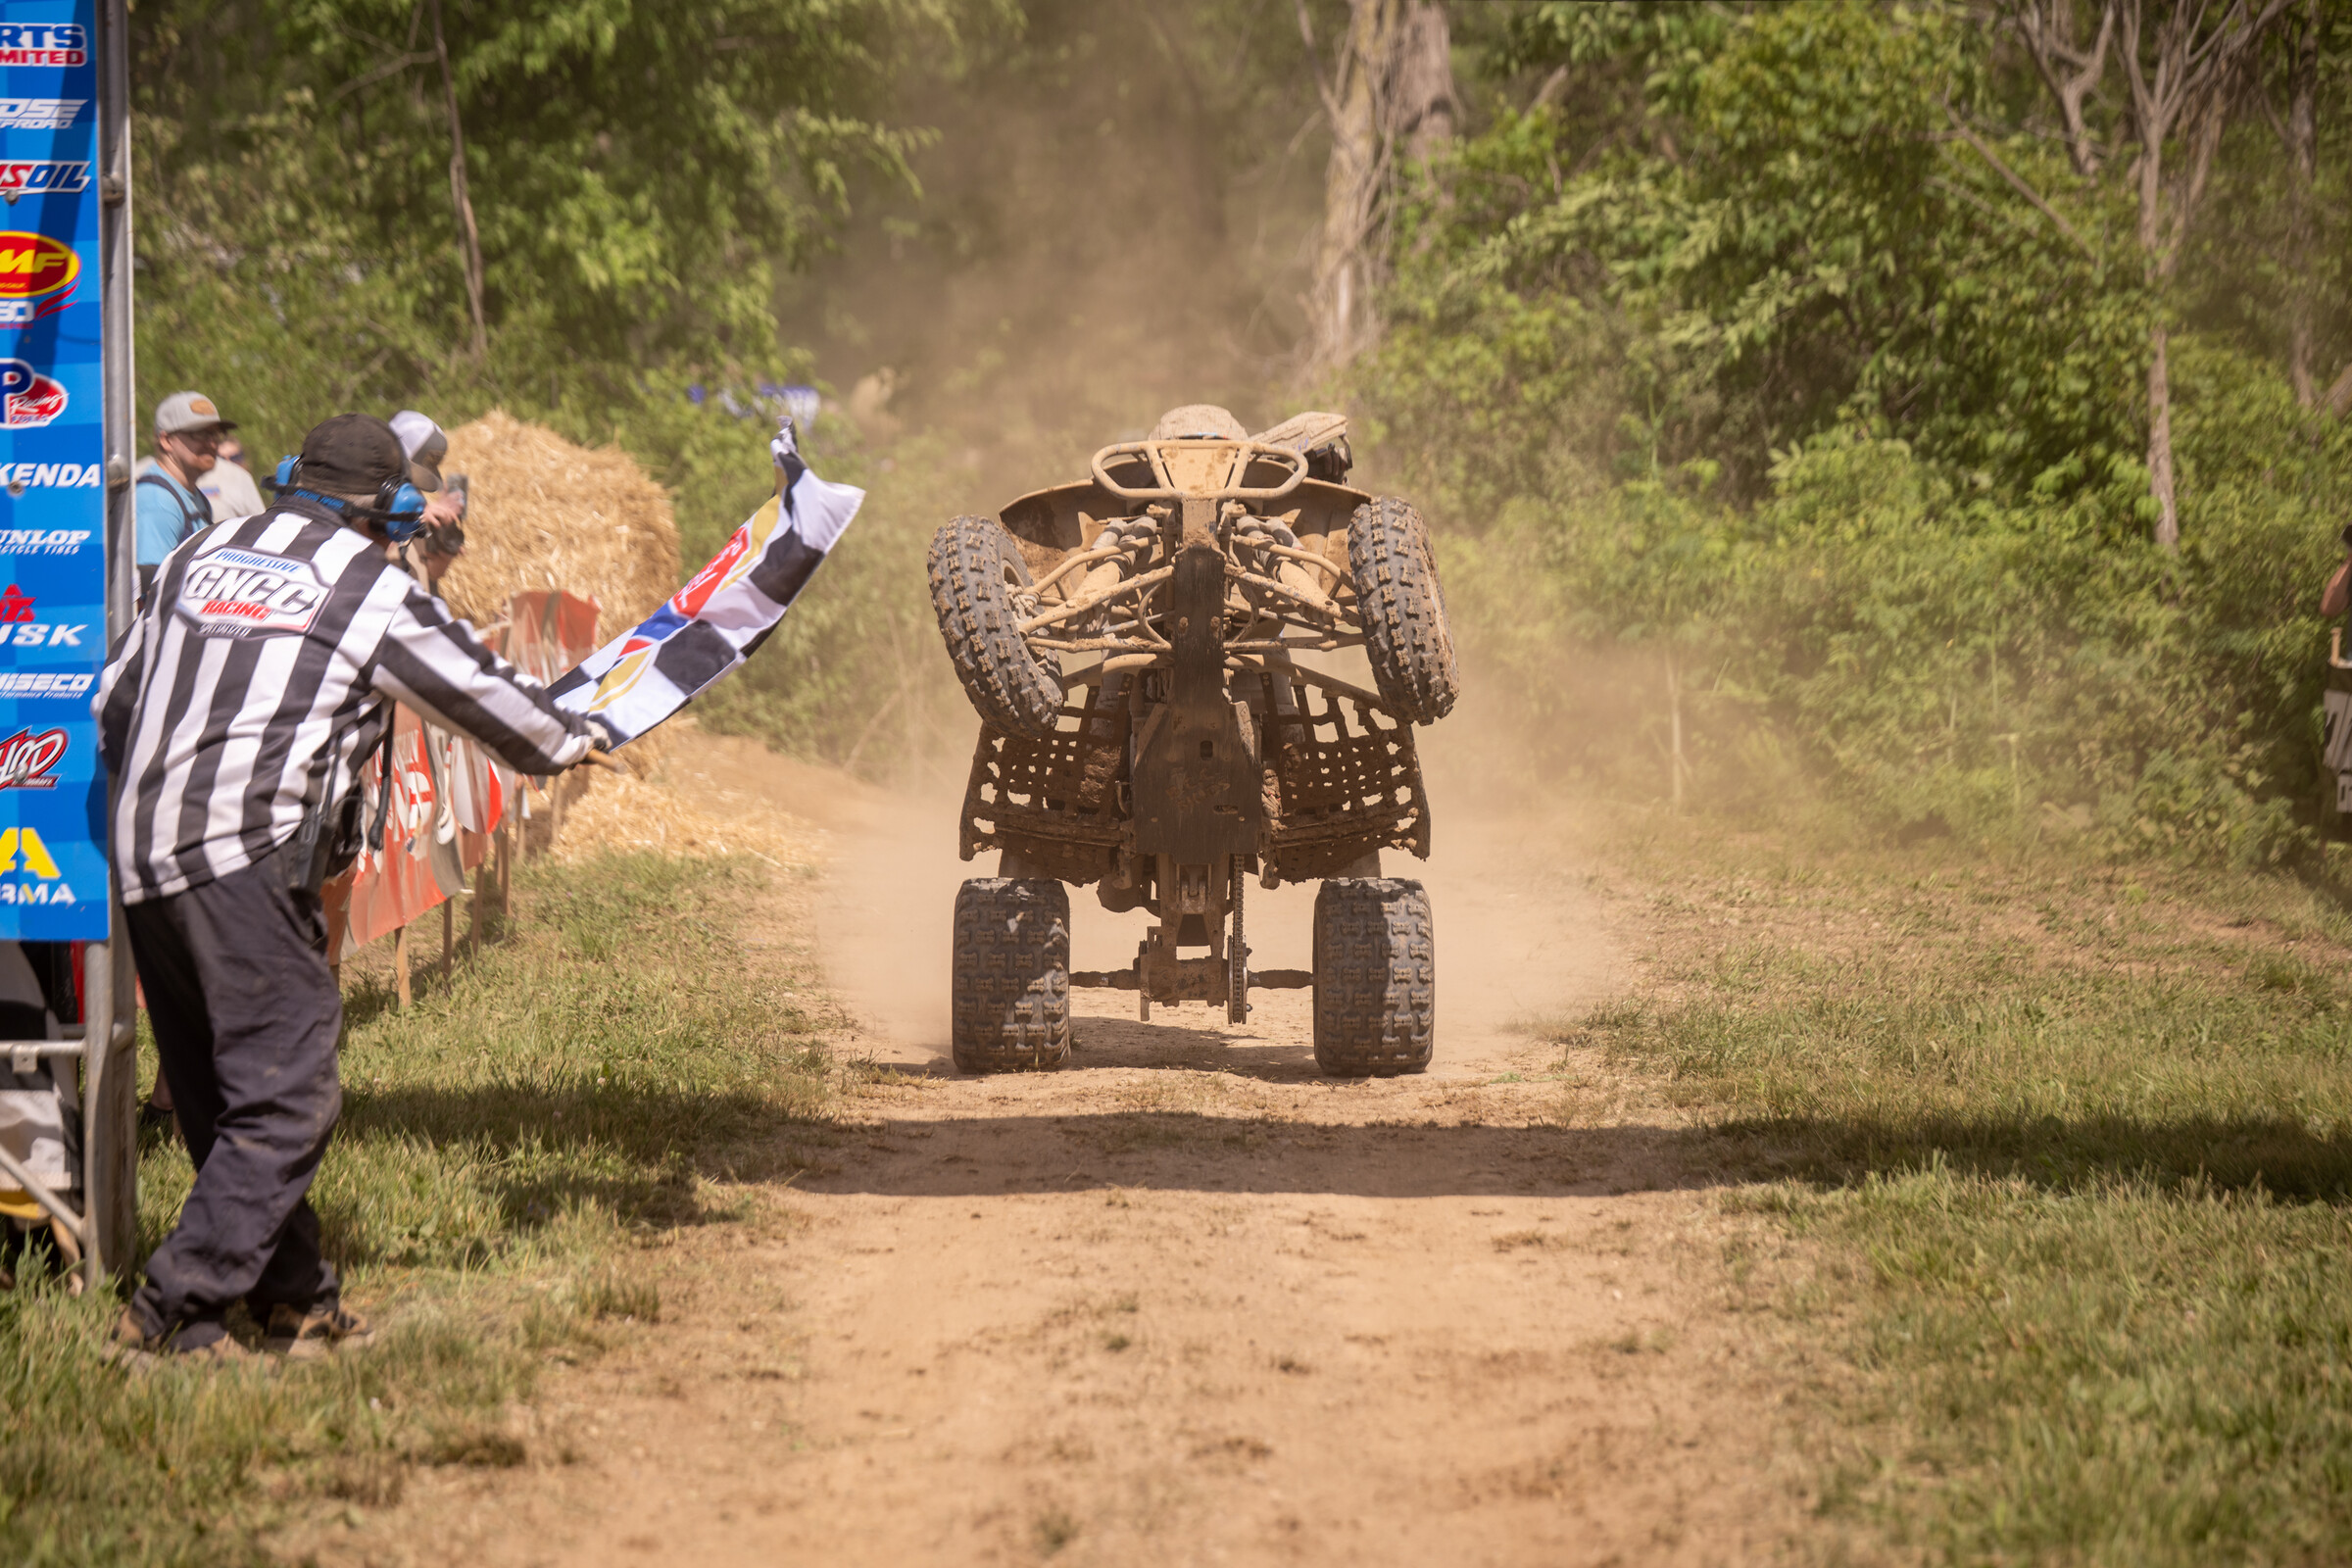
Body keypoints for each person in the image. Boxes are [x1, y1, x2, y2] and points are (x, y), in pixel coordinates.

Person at [97, 414, 607, 1363]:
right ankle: (171, 1307)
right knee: (290, 1091)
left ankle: (293, 1298)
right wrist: (575, 736)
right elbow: (480, 695)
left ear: (293, 481)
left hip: (140, 840)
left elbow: (114, 694)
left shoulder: (205, 549)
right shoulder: (367, 586)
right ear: (385, 515)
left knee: (218, 1089)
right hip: (240, 847)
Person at [133, 391, 234, 600]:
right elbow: (150, 596)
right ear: (167, 440)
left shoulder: (192, 495)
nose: (212, 443)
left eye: (215, 434)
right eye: (199, 433)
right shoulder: (158, 503)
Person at [199, 434, 267, 522]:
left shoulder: (245, 480)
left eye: (234, 458)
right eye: (221, 459)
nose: (228, 463)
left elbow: (260, 520)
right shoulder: (201, 480)